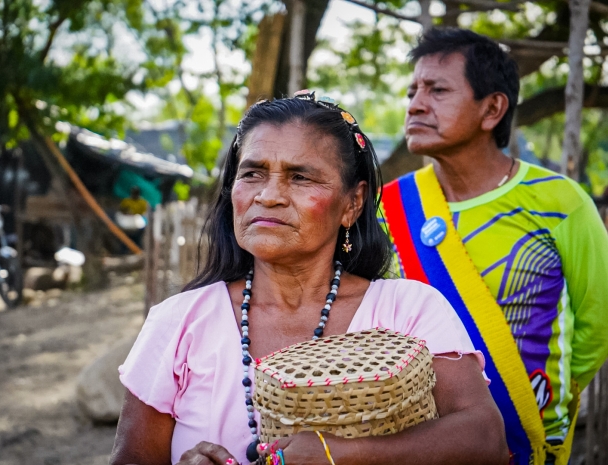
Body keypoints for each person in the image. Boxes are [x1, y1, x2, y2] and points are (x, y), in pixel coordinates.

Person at [110, 93, 508, 465]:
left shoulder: (409, 311)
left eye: (300, 177)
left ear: (352, 203)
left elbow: (485, 440)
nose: (269, 195)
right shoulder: (178, 323)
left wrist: (338, 454)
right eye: (252, 173)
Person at [379, 28, 608, 465]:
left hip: (528, 438)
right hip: (416, 442)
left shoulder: (561, 203)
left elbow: (597, 325)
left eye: (437, 90)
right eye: (412, 91)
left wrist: (536, 399)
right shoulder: (388, 207)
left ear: (492, 109)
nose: (415, 104)